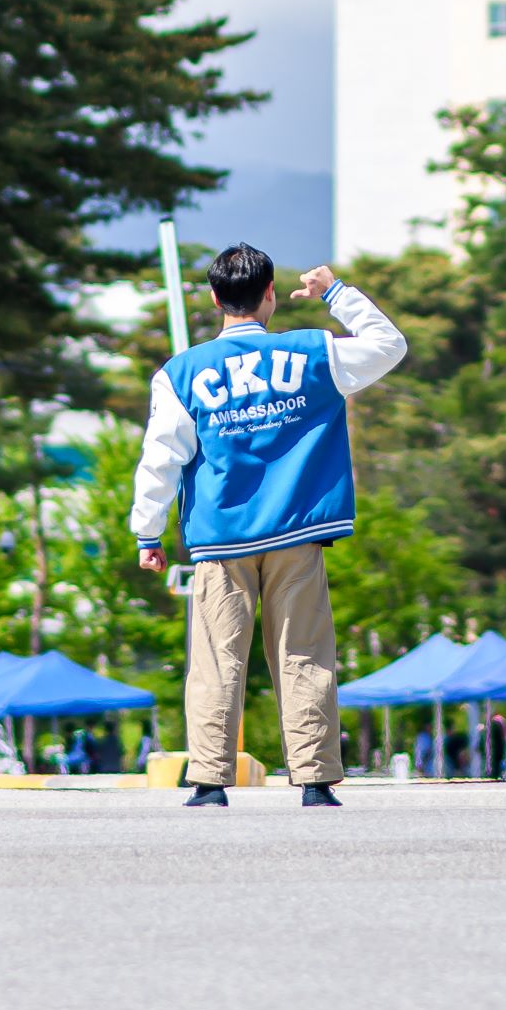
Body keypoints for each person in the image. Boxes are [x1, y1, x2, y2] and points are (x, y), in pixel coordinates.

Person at [132, 243, 408, 807]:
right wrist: (335, 292)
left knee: (215, 659)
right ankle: (313, 781)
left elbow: (161, 457)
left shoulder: (180, 373)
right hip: (296, 532)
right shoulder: (312, 354)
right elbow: (390, 345)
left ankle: (209, 781)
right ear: (270, 297)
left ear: (214, 299)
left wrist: (149, 531)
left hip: (220, 537)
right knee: (305, 654)